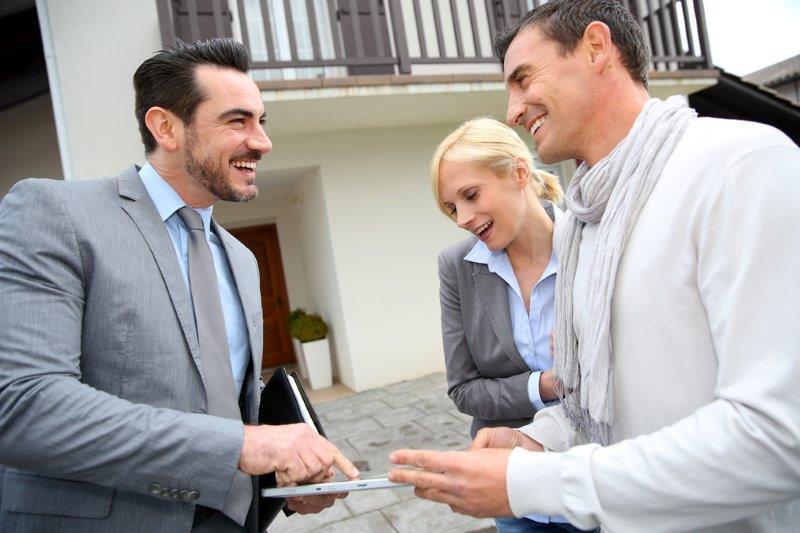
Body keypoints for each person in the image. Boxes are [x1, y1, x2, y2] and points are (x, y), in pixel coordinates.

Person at [389, 1, 800, 531]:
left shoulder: (739, 167)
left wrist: (528, 483)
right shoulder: (585, 226)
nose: (512, 111)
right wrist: (537, 438)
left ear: (596, 48)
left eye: (523, 79)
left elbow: (779, 438)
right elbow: (606, 405)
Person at [0, 38, 357, 532]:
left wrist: (284, 475)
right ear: (165, 126)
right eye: (237, 120)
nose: (262, 141)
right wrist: (247, 446)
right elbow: (24, 405)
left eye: (261, 121)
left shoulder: (242, 259)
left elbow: (218, 393)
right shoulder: (54, 213)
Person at [432, 117, 584, 532]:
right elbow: (464, 390)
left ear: (519, 172)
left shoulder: (591, 244)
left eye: (470, 195)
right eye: (452, 207)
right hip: (515, 493)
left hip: (595, 480)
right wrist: (548, 384)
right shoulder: (457, 268)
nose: (462, 217)